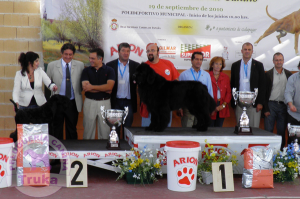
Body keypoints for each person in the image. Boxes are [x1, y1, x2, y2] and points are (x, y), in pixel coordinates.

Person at [47, 43, 84, 140]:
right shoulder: (52, 65)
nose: (68, 56)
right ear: (61, 53)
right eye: (66, 54)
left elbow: (82, 82)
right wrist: (52, 87)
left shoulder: (80, 65)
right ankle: (57, 151)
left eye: (70, 54)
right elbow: (47, 82)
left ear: (73, 54)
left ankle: (72, 152)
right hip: (57, 102)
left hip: (72, 101)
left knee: (71, 128)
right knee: (56, 128)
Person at [141, 43, 180, 127]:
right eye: (148, 51)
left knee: (164, 135)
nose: (150, 53)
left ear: (158, 52)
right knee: (147, 136)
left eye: (152, 50)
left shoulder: (168, 64)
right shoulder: (143, 67)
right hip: (149, 109)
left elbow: (176, 83)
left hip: (165, 107)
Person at [106, 43, 140, 137]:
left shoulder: (136, 66)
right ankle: (115, 149)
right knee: (115, 129)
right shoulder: (110, 65)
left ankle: (127, 150)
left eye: (128, 51)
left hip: (129, 102)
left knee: (128, 129)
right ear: (118, 52)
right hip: (115, 101)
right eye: (123, 51)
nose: (126, 53)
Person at [81, 48, 115, 139]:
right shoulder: (86, 71)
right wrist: (103, 88)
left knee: (105, 131)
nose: (90, 60)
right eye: (90, 58)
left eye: (93, 58)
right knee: (88, 131)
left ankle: (104, 153)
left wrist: (91, 87)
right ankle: (87, 152)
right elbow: (85, 88)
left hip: (105, 102)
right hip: (89, 102)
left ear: (100, 59)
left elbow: (109, 87)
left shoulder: (110, 70)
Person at [231, 42, 266, 128]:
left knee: (253, 129)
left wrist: (260, 103)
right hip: (239, 103)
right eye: (245, 49)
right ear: (241, 51)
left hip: (254, 104)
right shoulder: (235, 65)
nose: (247, 51)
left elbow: (262, 85)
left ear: (252, 51)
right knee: (240, 129)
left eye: (249, 50)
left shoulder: (258, 65)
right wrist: (234, 102)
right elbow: (232, 84)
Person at [264, 52, 292, 150]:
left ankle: (280, 153)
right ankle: (267, 152)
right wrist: (265, 109)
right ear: (273, 61)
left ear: (283, 61)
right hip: (271, 105)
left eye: (280, 60)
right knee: (268, 130)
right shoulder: (268, 74)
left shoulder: (289, 74)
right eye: (276, 60)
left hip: (284, 106)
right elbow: (264, 92)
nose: (278, 62)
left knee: (281, 130)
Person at [178, 51, 213, 127]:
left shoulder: (206, 75)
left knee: (200, 130)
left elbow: (209, 91)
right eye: (197, 59)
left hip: (202, 107)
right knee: (187, 130)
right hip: (188, 107)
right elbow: (179, 92)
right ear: (191, 60)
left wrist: (209, 107)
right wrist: (179, 107)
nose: (199, 61)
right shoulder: (184, 75)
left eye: (201, 59)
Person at [209, 56, 231, 127]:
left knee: (219, 129)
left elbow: (229, 93)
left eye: (220, 64)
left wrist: (223, 105)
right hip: (210, 105)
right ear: (212, 65)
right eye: (216, 64)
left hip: (222, 105)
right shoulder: (207, 76)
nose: (218, 66)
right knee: (210, 128)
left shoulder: (225, 77)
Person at [284, 61, 300, 145]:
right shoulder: (293, 78)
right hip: (293, 114)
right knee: (292, 140)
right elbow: (288, 93)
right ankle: (291, 158)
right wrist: (290, 104)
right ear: (299, 68)